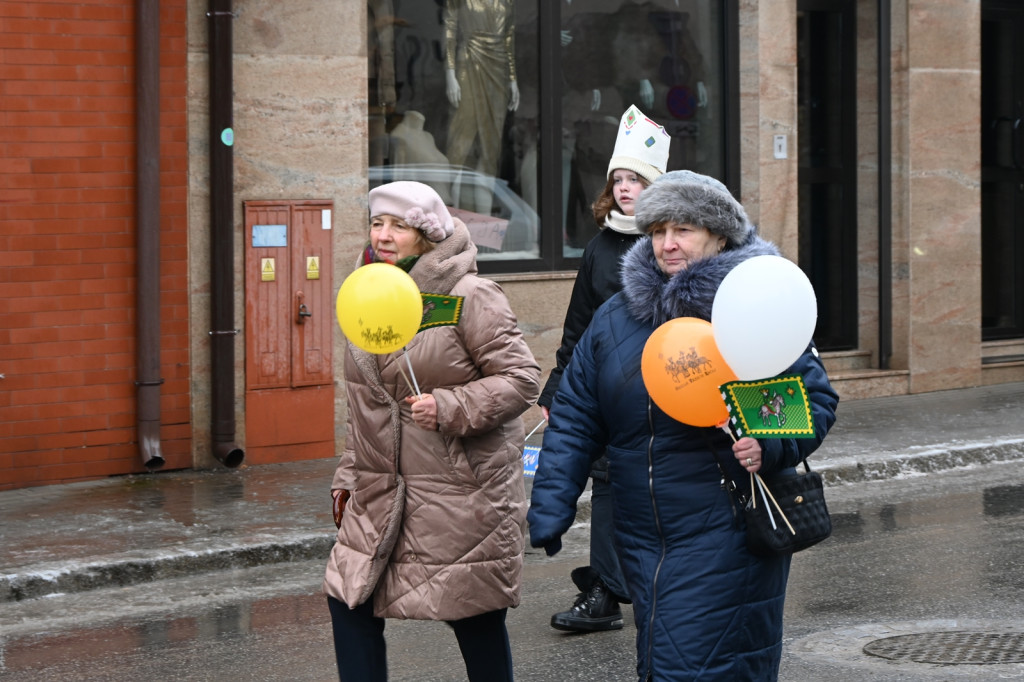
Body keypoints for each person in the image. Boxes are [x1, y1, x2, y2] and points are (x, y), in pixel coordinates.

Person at [527, 170, 839, 680]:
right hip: (641, 533)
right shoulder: (616, 316)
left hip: (726, 525)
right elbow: (577, 413)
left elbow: (811, 396)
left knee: (690, 665)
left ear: (718, 234)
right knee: (659, 657)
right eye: (656, 232)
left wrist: (770, 441)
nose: (667, 245)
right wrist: (552, 502)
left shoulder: (754, 302)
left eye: (683, 230)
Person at [323, 180, 541, 681]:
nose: (384, 234)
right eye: (378, 222)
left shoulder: (470, 294)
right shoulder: (368, 293)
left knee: (472, 613)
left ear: (426, 234)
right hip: (379, 493)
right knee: (348, 600)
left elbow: (522, 379)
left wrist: (449, 406)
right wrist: (348, 475)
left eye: (399, 225)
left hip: (459, 492)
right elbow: (369, 406)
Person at [537, 104, 670, 633]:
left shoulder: (667, 244)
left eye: (636, 179)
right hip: (609, 394)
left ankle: (626, 586)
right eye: (618, 178)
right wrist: (555, 390)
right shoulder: (597, 248)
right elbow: (579, 328)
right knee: (609, 483)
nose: (624, 188)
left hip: (665, 391)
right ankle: (605, 591)